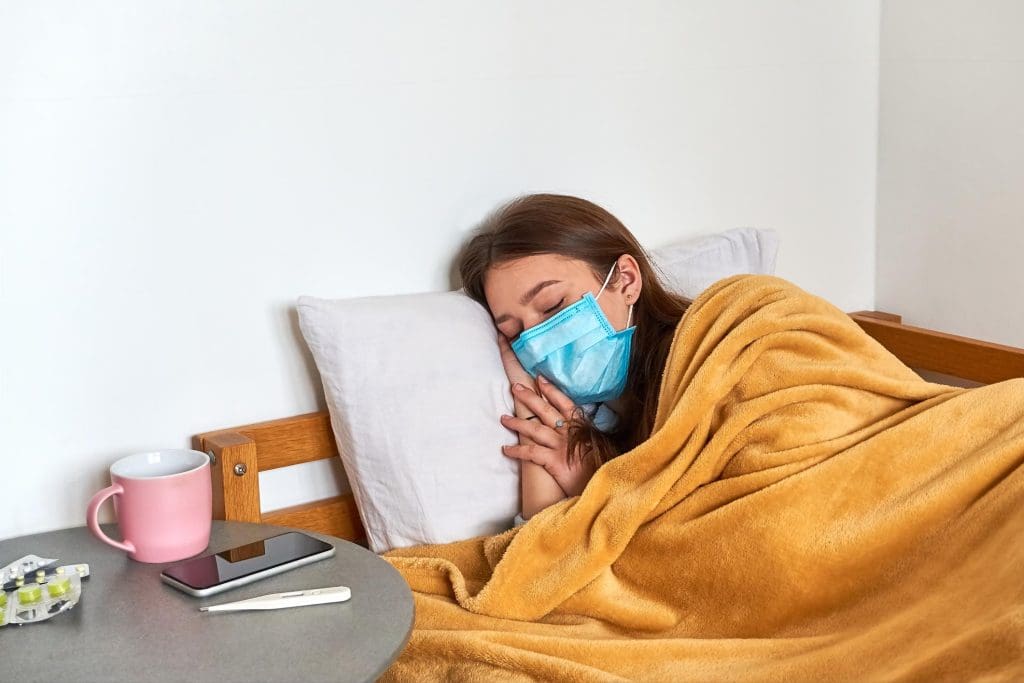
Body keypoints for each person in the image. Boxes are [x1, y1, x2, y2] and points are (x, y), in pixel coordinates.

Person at [457, 193, 692, 523]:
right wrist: (528, 401)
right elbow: (541, 551)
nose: (536, 347)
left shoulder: (712, 349)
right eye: (515, 333)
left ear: (626, 280)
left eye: (552, 306)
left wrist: (591, 485)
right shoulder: (587, 423)